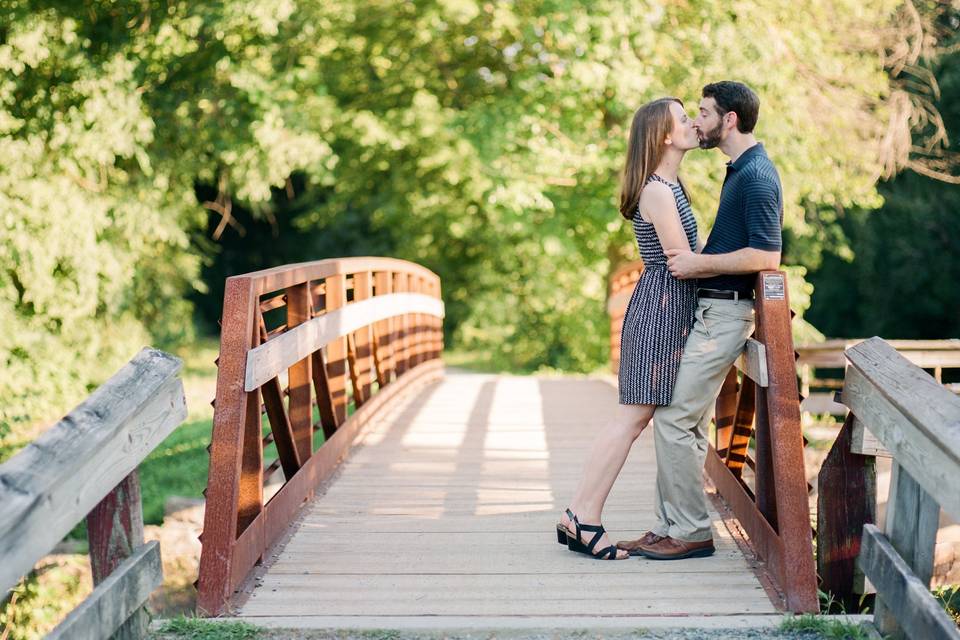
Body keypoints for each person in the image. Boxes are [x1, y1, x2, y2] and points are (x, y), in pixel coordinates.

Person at [616, 81, 783, 560]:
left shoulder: (756, 176)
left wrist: (699, 264)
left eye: (704, 113)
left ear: (728, 120)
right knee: (680, 422)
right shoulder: (739, 170)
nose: (696, 121)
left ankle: (690, 531)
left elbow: (768, 256)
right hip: (709, 311)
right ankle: (669, 524)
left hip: (724, 315)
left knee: (673, 419)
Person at [556, 97, 701, 559]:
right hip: (661, 310)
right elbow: (680, 262)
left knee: (632, 419)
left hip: (666, 309)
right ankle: (584, 517)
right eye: (683, 119)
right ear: (663, 136)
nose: (693, 124)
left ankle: (577, 515)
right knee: (631, 418)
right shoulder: (658, 190)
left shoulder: (670, 186)